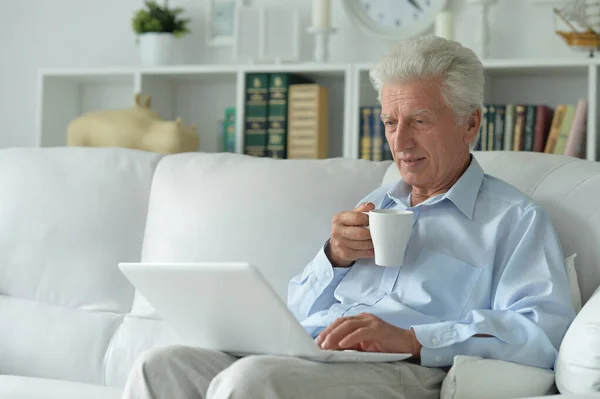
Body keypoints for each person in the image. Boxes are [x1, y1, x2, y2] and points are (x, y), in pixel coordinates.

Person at [122, 36, 576, 399]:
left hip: (409, 374)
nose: (400, 142)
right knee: (161, 364)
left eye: (419, 121)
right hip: (313, 356)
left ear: (471, 124)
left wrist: (414, 338)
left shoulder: (513, 220)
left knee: (254, 382)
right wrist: (333, 257)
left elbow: (540, 334)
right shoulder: (375, 203)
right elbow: (294, 312)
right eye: (390, 122)